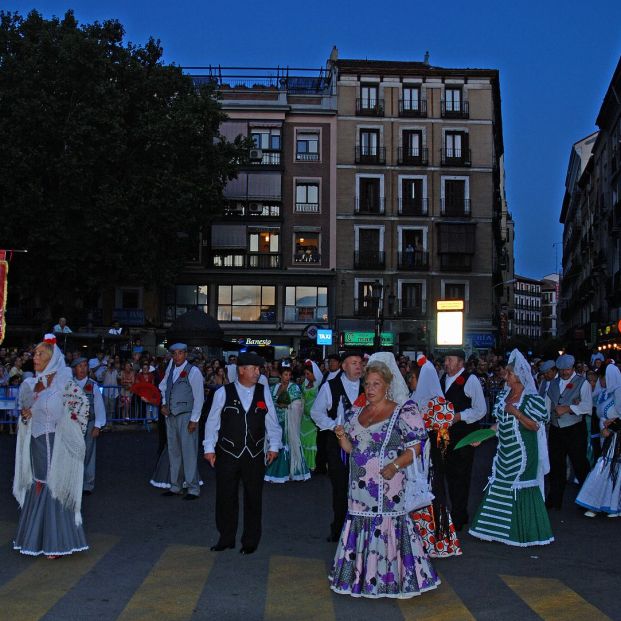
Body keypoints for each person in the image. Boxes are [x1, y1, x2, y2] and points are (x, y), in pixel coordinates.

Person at [329, 354, 440, 599]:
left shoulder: (403, 411)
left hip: (387, 486)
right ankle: (360, 578)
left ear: (387, 386)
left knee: (388, 526)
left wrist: (396, 465)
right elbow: (351, 449)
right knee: (360, 525)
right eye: (367, 384)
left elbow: (417, 446)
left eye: (376, 384)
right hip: (358, 489)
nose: (370, 389)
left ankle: (390, 579)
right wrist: (340, 436)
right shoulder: (356, 413)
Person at [13, 335, 89, 557]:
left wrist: (69, 424)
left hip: (56, 445)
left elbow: (81, 410)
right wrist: (26, 417)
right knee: (38, 485)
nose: (35, 357)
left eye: (40, 354)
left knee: (53, 485)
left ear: (52, 358)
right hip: (35, 445)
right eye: (35, 353)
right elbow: (26, 416)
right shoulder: (29, 384)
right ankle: (36, 538)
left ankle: (56, 542)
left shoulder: (65, 385)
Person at [469, 349, 553, 546]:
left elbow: (535, 425)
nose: (505, 376)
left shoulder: (531, 399)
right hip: (504, 451)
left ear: (518, 376)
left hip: (523, 451)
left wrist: (516, 412)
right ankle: (494, 530)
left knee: (519, 486)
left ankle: (521, 532)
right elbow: (499, 424)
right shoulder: (503, 397)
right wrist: (483, 436)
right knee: (499, 482)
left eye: (509, 373)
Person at [203, 352, 281, 554]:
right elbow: (212, 422)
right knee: (225, 497)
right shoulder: (223, 392)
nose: (258, 372)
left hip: (254, 454)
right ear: (241, 370)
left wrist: (274, 446)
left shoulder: (263, 392)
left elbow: (272, 420)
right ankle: (226, 537)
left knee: (253, 498)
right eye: (254, 369)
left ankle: (250, 540)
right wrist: (209, 448)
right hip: (228, 453)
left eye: (258, 369)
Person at [410, 355, 463, 558]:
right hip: (423, 456)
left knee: (431, 493)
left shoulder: (433, 404)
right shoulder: (419, 401)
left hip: (428, 456)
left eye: (413, 379)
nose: (411, 383)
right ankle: (429, 541)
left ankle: (433, 540)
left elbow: (442, 434)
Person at [311, 351, 364, 542]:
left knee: (362, 487)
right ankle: (339, 527)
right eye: (353, 362)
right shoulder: (330, 386)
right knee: (340, 488)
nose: (358, 366)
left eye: (360, 363)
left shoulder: (368, 386)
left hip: (363, 445)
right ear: (344, 366)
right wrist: (334, 426)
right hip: (337, 444)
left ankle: (361, 528)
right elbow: (316, 413)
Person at [439, 349, 487, 531]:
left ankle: (459, 514)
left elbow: (480, 409)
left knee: (461, 475)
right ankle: (456, 511)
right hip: (445, 435)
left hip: (464, 434)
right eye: (446, 359)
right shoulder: (443, 378)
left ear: (460, 363)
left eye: (450, 359)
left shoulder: (470, 379)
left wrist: (460, 416)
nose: (446, 363)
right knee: (450, 474)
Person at [545, 354, 592, 510]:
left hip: (574, 429)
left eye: (568, 369)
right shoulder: (552, 383)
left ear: (573, 368)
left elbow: (587, 406)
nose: (565, 372)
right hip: (556, 429)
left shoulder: (582, 383)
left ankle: (588, 500)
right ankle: (554, 499)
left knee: (579, 464)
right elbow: (547, 406)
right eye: (562, 369)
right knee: (556, 465)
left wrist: (569, 408)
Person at [158, 343, 204, 500]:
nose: (177, 356)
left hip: (186, 415)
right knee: (174, 451)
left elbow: (199, 398)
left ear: (185, 354)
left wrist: (194, 420)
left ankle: (193, 488)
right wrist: (163, 403)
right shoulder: (171, 369)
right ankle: (175, 485)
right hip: (170, 415)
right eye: (174, 353)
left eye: (180, 353)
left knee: (189, 452)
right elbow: (164, 387)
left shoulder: (194, 371)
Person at [576, 363, 621, 517]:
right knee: (609, 469)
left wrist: (611, 427)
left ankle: (598, 504)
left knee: (607, 469)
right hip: (607, 436)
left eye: (602, 377)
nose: (600, 381)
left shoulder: (618, 392)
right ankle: (607, 503)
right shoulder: (607, 392)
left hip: (615, 438)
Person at [265, 362, 309, 483]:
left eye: (289, 375)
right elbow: (268, 402)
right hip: (275, 421)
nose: (287, 377)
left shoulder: (294, 387)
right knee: (276, 443)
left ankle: (293, 471)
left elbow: (298, 404)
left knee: (288, 443)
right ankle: (276, 471)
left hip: (289, 422)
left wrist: (288, 406)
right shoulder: (273, 387)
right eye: (285, 374)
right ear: (280, 375)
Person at [71, 358, 106, 495]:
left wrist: (98, 425)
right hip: (72, 425)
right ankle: (73, 482)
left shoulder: (93, 385)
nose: (82, 368)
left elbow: (99, 406)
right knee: (73, 454)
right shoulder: (69, 384)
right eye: (80, 366)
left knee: (88, 454)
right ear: (75, 368)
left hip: (89, 422)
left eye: (85, 366)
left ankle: (87, 484)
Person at [300, 360, 321, 471]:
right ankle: (303, 462)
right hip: (304, 417)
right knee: (302, 439)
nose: (306, 376)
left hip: (313, 419)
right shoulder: (305, 383)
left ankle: (312, 464)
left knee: (311, 440)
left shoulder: (319, 385)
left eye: (308, 374)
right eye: (305, 374)